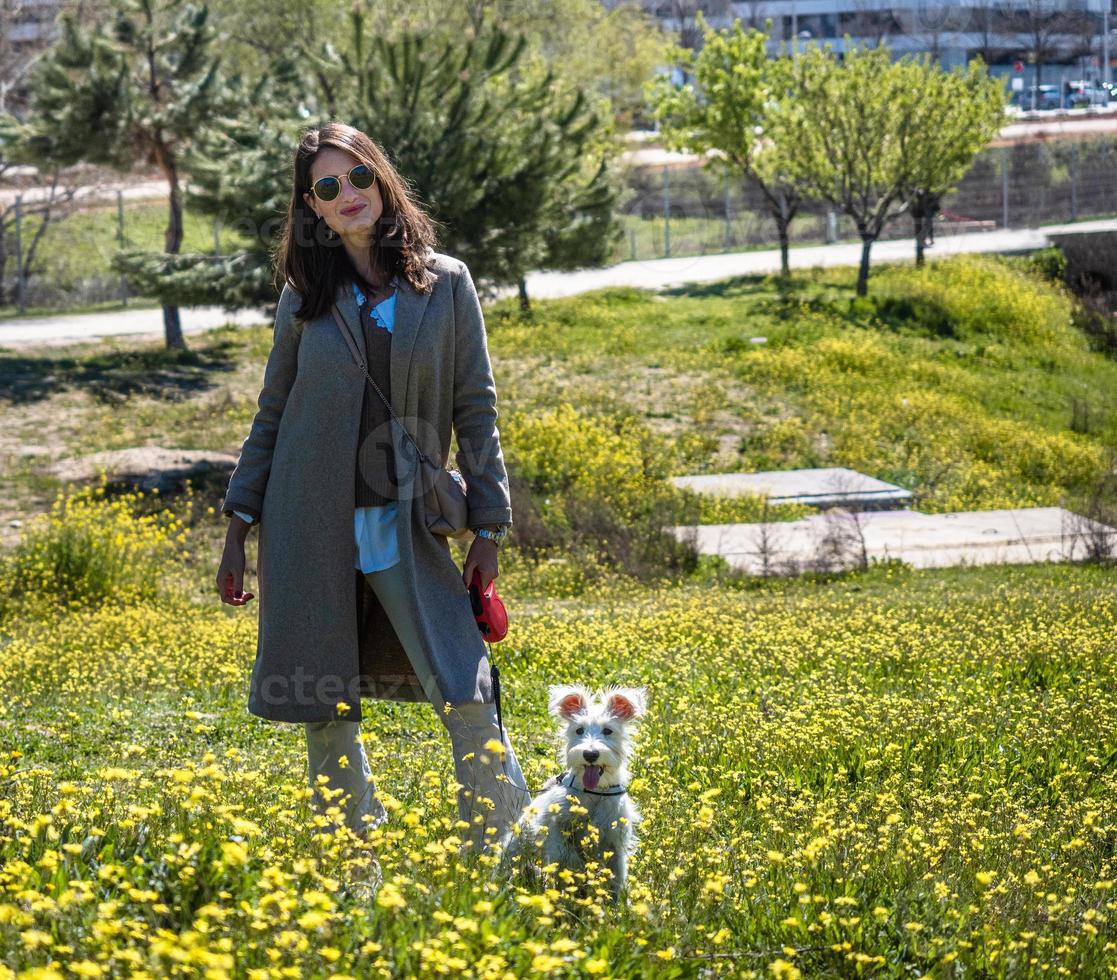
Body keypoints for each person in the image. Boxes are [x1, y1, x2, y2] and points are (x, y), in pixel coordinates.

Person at [214, 122, 530, 876]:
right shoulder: (303, 299)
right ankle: (350, 864)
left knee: (464, 687)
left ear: (381, 180)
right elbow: (273, 409)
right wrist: (238, 522)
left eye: (356, 177)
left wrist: (488, 521)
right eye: (327, 187)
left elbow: (474, 407)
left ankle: (508, 851)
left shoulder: (445, 283)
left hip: (408, 521)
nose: (346, 195)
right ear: (311, 208)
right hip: (305, 525)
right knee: (324, 706)